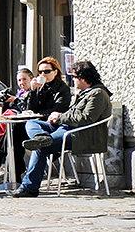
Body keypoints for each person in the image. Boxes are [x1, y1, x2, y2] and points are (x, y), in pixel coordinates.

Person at [14, 60, 113, 198]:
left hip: (79, 134)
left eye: (74, 77)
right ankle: (41, 136)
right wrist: (34, 91)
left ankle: (29, 187)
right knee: (32, 123)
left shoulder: (97, 94)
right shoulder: (85, 92)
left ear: (83, 78)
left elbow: (85, 118)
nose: (73, 80)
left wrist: (60, 117)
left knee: (40, 147)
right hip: (65, 128)